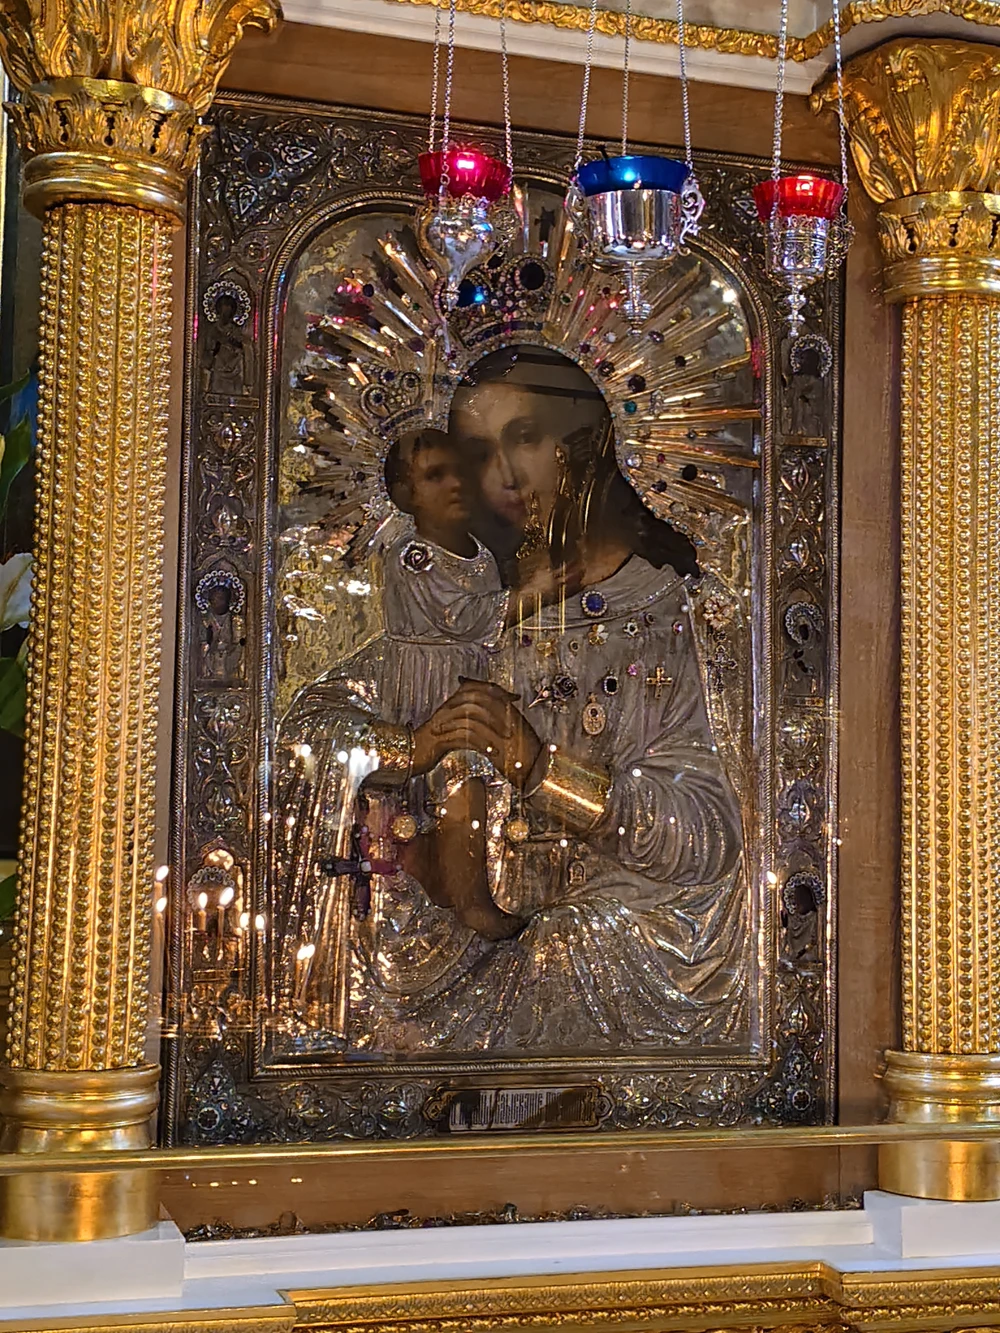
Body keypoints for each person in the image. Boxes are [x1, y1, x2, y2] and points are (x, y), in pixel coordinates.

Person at [272, 347, 748, 1055]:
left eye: (524, 437)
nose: (503, 474)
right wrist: (411, 748)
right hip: (439, 973)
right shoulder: (458, 616)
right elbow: (306, 731)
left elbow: (708, 835)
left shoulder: (664, 616)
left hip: (608, 973)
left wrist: (541, 770)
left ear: (586, 444)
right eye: (475, 452)